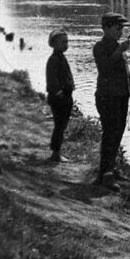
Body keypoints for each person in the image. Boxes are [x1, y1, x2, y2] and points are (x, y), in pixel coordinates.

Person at [93, 12, 130, 187]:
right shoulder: (99, 47)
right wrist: (119, 50)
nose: (120, 32)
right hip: (107, 97)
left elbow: (126, 73)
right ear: (105, 28)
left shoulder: (118, 48)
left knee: (118, 133)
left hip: (121, 97)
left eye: (121, 29)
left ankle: (111, 169)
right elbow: (104, 69)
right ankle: (104, 174)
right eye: (117, 28)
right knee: (110, 134)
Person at [45, 28, 75, 163]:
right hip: (59, 99)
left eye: (67, 42)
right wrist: (61, 94)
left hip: (64, 98)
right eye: (63, 42)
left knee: (61, 125)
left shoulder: (60, 57)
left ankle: (57, 152)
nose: (65, 44)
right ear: (54, 43)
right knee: (59, 125)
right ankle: (55, 153)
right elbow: (52, 82)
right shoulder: (54, 60)